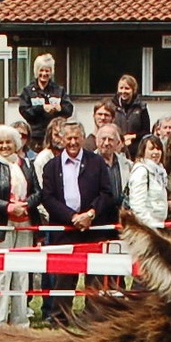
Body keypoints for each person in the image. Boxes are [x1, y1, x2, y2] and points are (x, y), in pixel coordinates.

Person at [38, 121, 114, 325]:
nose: (72, 142)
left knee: (95, 277)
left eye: (76, 138)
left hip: (94, 228)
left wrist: (91, 213)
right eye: (68, 138)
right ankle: (59, 318)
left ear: (82, 138)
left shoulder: (96, 162)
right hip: (65, 229)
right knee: (63, 277)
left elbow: (107, 193)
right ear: (61, 140)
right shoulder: (51, 166)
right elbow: (48, 198)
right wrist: (72, 217)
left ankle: (92, 319)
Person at [0, 124, 40, 326]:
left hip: (25, 223)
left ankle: (21, 321)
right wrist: (9, 207)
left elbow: (38, 192)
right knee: (1, 274)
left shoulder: (26, 165)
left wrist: (26, 205)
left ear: (16, 144)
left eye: (9, 142)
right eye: (1, 142)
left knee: (22, 273)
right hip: (1, 226)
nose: (5, 146)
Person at [17, 54, 74, 149]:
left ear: (51, 72)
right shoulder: (28, 91)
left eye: (47, 71)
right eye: (41, 70)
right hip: (35, 137)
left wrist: (60, 109)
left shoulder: (59, 90)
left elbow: (69, 110)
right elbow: (24, 111)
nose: (44, 74)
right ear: (36, 71)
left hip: (56, 137)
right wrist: (41, 108)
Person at [125, 134, 169, 231]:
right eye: (151, 149)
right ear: (143, 151)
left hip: (159, 225)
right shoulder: (141, 171)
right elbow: (137, 206)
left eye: (158, 149)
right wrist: (150, 226)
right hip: (147, 228)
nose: (156, 152)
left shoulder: (160, 172)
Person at [109, 74, 151, 143]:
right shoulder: (112, 106)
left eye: (127, 88)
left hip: (136, 147)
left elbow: (146, 132)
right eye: (121, 88)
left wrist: (132, 136)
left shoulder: (141, 107)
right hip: (116, 145)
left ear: (133, 90)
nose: (123, 91)